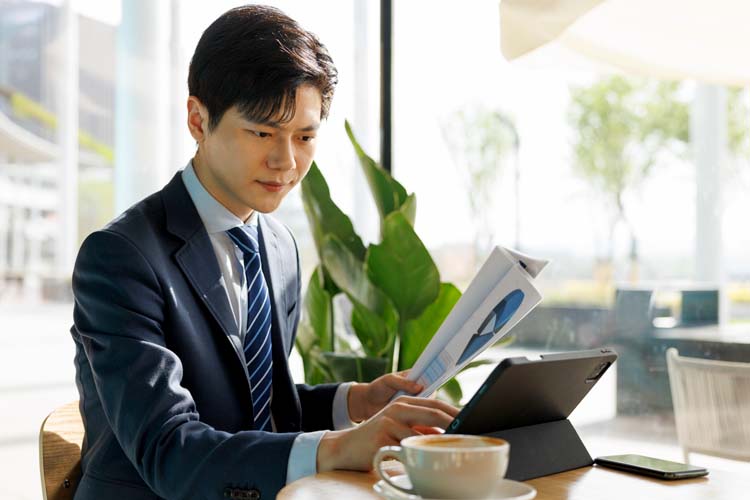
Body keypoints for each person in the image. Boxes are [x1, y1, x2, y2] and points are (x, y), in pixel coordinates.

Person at [69, 5, 458, 500]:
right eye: (262, 133)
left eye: (305, 136)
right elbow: (169, 450)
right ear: (197, 119)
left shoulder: (278, 246)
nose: (286, 161)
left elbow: (251, 408)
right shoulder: (120, 257)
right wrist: (337, 447)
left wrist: (357, 400)